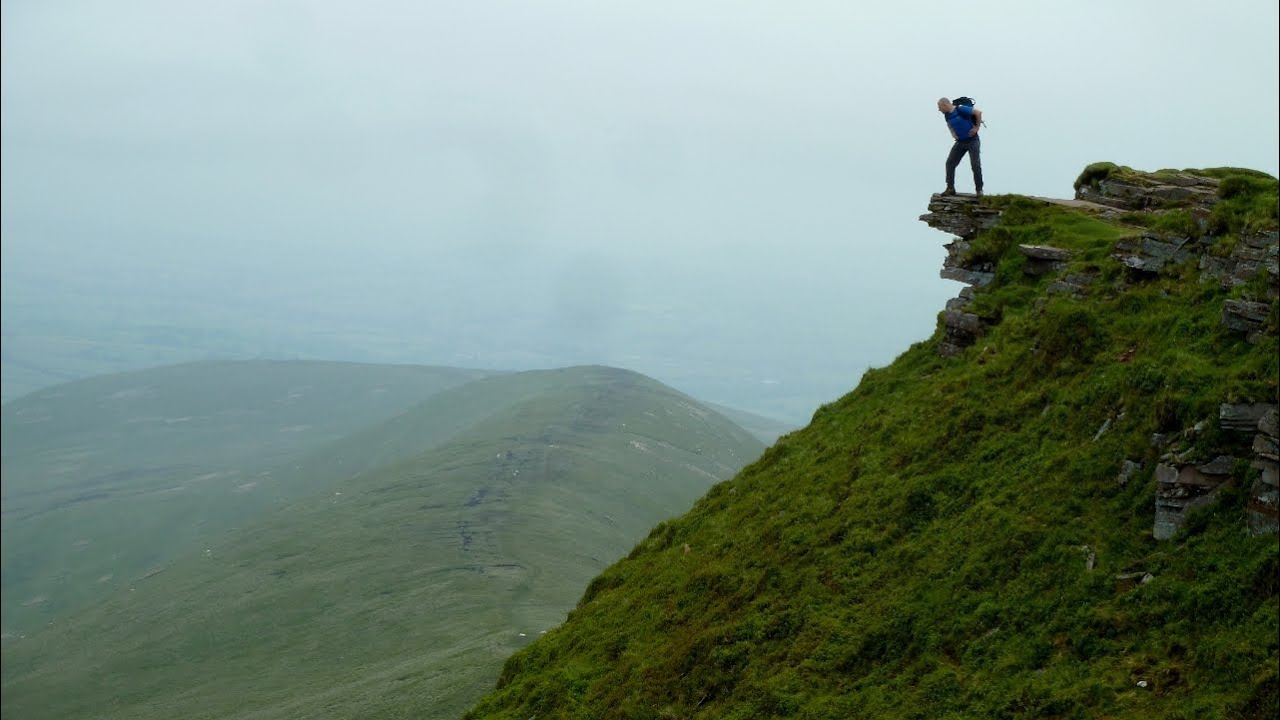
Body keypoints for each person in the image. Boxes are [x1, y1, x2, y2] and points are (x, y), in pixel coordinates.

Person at [937, 97, 983, 197]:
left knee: (975, 165)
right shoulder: (947, 115)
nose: (939, 109)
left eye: (939, 107)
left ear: (945, 104)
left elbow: (978, 113)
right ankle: (950, 188)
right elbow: (949, 124)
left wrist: (976, 128)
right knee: (950, 163)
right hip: (960, 142)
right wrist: (953, 133)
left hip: (972, 140)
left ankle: (979, 190)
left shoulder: (960, 109)